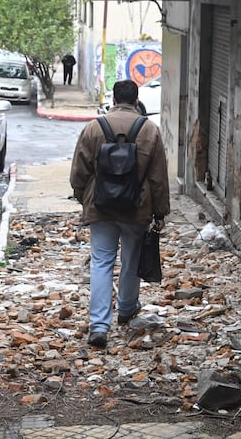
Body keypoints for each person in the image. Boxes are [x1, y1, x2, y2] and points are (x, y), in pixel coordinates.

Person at [70, 79, 170, 348]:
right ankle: (126, 309)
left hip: (100, 208)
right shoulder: (149, 130)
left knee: (101, 262)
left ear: (113, 100)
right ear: (136, 101)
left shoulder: (94, 128)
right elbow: (158, 176)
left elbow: (78, 172)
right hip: (137, 208)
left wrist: (84, 198)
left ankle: (99, 326)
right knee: (130, 259)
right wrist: (160, 212)